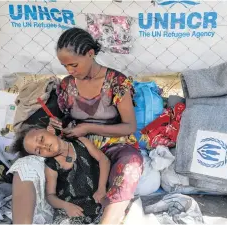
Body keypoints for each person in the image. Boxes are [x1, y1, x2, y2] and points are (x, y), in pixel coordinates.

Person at [49, 27, 143, 224]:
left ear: (90, 54)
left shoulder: (117, 82)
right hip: (80, 145)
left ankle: (107, 220)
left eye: (74, 65)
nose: (70, 71)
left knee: (131, 164)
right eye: (65, 66)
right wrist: (57, 125)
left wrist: (89, 128)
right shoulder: (67, 85)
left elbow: (129, 127)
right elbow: (65, 120)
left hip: (114, 143)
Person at [12, 125, 110, 224]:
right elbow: (50, 195)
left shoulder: (81, 142)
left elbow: (103, 160)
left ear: (50, 130)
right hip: (76, 208)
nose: (44, 146)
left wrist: (101, 188)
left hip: (98, 197)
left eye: (41, 139)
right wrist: (66, 206)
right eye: (39, 151)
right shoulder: (51, 166)